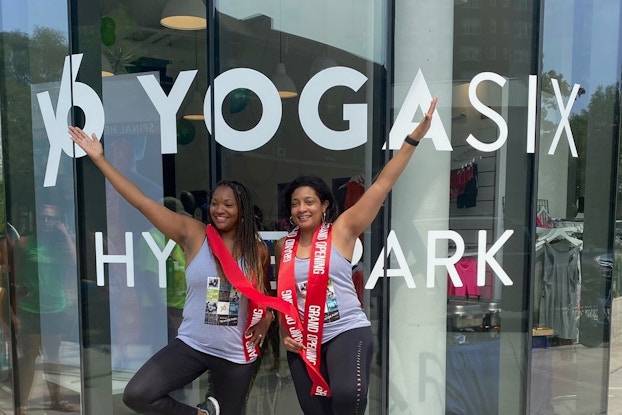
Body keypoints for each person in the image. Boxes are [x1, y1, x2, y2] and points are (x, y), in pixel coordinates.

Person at [68, 126, 276, 415]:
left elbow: (262, 295)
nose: (220, 209)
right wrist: (100, 159)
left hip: (235, 352)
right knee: (138, 394)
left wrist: (268, 317)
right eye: (215, 203)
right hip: (192, 344)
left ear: (242, 209)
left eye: (229, 204)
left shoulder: (257, 250)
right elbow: (141, 202)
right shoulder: (194, 233)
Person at [275, 97, 438, 414]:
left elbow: (381, 185)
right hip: (304, 341)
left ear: (324, 205)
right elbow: (284, 297)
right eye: (295, 203)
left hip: (345, 329)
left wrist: (413, 138)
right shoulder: (284, 246)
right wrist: (286, 334)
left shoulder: (342, 230)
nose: (302, 208)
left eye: (309, 201)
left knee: (348, 397)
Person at [13, 203, 79, 414]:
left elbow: (75, 261)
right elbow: (14, 274)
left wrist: (65, 233)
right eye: (43, 218)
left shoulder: (60, 245)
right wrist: (14, 307)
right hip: (30, 309)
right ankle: (21, 405)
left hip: (55, 308)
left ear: (57, 221)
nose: (46, 221)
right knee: (29, 356)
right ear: (37, 221)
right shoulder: (24, 244)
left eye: (51, 218)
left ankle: (56, 400)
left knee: (53, 355)